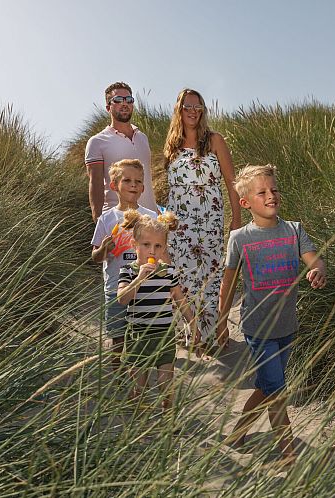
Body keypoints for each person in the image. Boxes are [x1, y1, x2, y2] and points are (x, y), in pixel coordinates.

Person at [217, 164, 327, 464]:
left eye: (274, 190)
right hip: (257, 327)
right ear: (245, 203)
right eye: (262, 192)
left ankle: (237, 432)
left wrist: (317, 271)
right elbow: (227, 283)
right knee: (277, 392)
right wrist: (221, 321)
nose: (271, 196)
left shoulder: (294, 230)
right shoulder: (239, 238)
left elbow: (315, 259)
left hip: (287, 327)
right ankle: (289, 456)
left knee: (267, 385)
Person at [163, 88, 242, 349]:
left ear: (203, 111)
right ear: (179, 109)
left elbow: (232, 182)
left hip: (209, 218)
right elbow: (171, 188)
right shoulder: (171, 144)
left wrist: (236, 218)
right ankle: (190, 335)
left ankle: (213, 334)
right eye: (188, 106)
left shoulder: (214, 140)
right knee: (182, 276)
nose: (193, 111)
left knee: (210, 275)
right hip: (178, 222)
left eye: (198, 107)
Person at [117, 209, 200, 409]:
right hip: (139, 335)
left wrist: (192, 322)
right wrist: (139, 279)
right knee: (140, 385)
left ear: (164, 249)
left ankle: (168, 415)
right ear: (134, 245)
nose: (152, 251)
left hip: (164, 335)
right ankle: (137, 410)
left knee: (166, 383)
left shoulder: (168, 272)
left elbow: (179, 298)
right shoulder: (128, 271)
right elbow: (122, 299)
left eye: (158, 246)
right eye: (146, 245)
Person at [91, 159, 156, 368]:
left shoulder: (151, 216)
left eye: (138, 181)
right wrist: (103, 249)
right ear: (114, 186)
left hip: (145, 287)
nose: (133, 185)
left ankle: (140, 375)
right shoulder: (107, 219)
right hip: (115, 288)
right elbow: (95, 257)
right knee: (118, 337)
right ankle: (118, 375)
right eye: (127, 180)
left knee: (143, 338)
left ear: (143, 187)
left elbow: (161, 249)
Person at [85, 81, 157, 221]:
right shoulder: (97, 142)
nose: (124, 104)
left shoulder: (143, 138)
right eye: (118, 100)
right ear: (108, 107)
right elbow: (95, 184)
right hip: (118, 221)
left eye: (129, 100)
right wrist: (100, 222)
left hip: (149, 220)